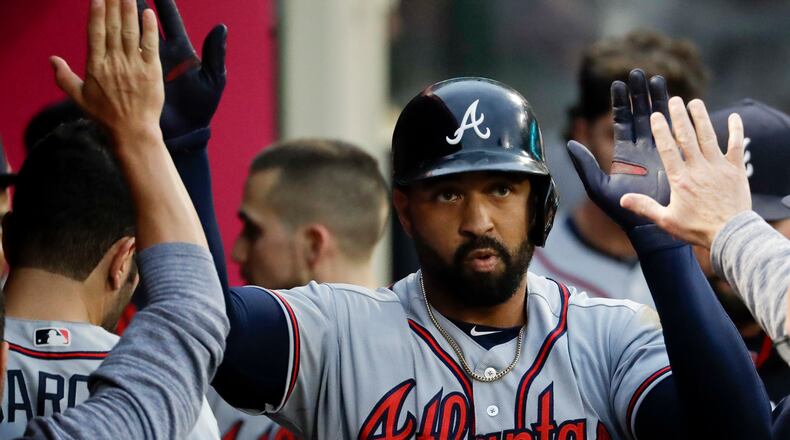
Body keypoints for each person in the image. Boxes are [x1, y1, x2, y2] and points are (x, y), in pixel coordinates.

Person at [192, 68, 771, 438]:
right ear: (405, 209)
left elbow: (740, 431)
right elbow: (209, 325)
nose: (477, 221)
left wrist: (663, 246)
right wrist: (180, 153)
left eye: (501, 188)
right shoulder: (340, 332)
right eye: (447, 194)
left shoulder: (608, 338)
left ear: (537, 203)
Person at [0, 0, 228, 437]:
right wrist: (169, 143)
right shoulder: (177, 402)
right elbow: (193, 316)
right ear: (125, 259)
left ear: (8, 236)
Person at [207, 138, 389, 439]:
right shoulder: (221, 359)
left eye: (253, 231)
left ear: (313, 245)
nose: (238, 252)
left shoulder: (411, 374)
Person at [530, 30, 708, 306]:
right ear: (582, 134)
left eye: (663, 136)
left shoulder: (719, 263)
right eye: (621, 137)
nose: (645, 160)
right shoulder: (531, 267)